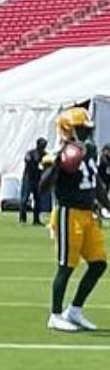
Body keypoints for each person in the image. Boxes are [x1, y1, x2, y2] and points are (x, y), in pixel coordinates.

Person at [42, 106, 103, 332]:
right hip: (69, 213)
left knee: (98, 264)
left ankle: (74, 310)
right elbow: (43, 188)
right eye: (81, 129)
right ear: (69, 130)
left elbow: (95, 184)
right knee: (66, 266)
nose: (87, 133)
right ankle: (55, 314)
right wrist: (58, 163)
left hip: (88, 213)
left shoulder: (90, 150)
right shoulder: (57, 155)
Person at [20, 137, 49, 225]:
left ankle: (36, 220)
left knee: (38, 200)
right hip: (28, 179)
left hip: (38, 180)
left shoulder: (45, 155)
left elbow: (48, 165)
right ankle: (22, 219)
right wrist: (37, 163)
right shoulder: (31, 153)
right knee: (24, 199)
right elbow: (28, 160)